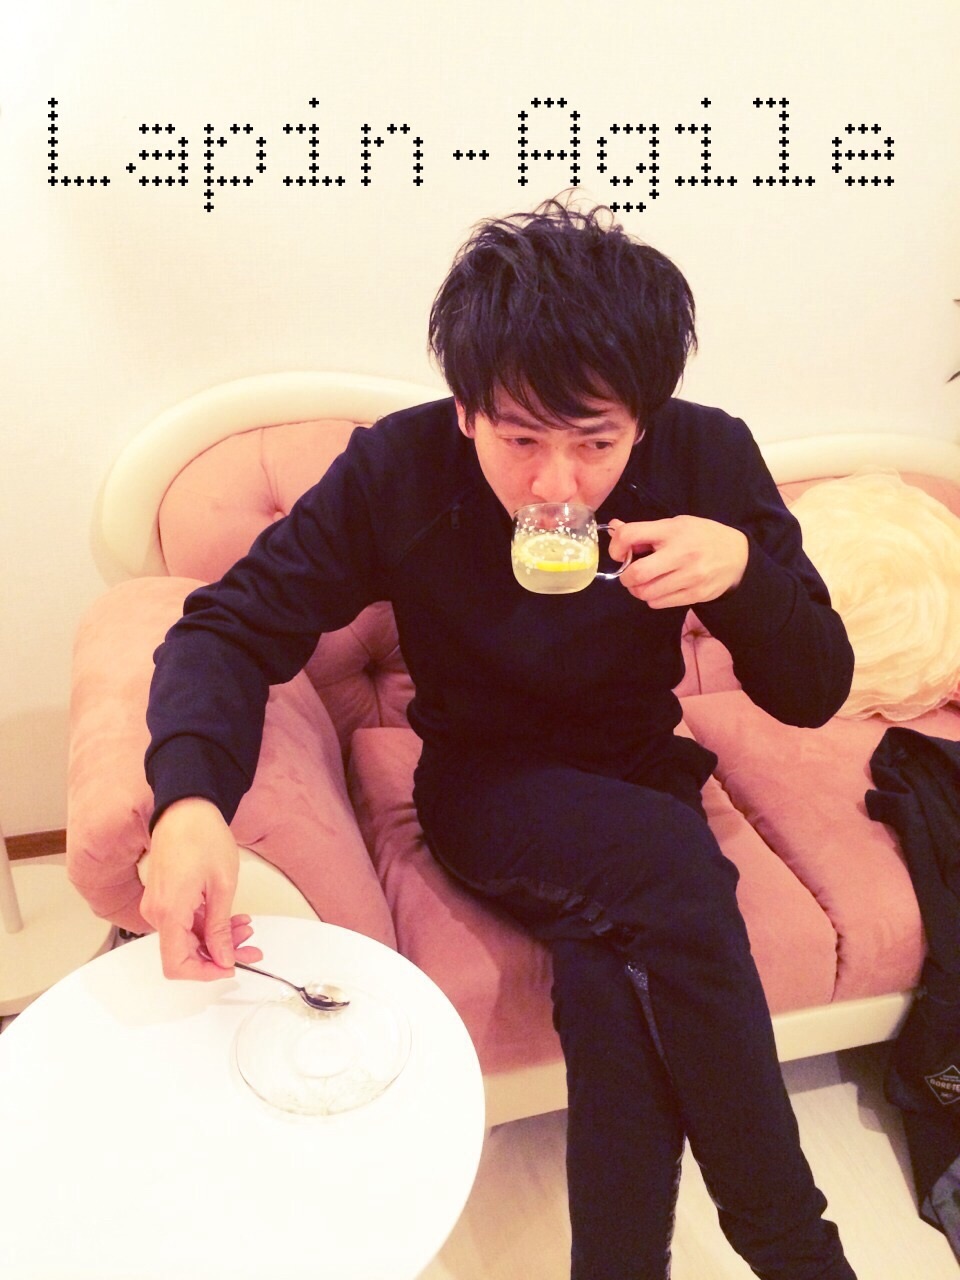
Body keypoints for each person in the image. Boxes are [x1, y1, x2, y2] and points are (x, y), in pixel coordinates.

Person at [142, 197, 858, 1280]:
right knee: (672, 864)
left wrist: (744, 576)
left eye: (597, 444)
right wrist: (190, 803)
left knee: (612, 993)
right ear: (468, 410)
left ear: (644, 422)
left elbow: (815, 690)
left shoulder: (708, 454)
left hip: (639, 774)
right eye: (522, 439)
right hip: (486, 784)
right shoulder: (400, 470)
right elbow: (227, 627)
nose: (555, 485)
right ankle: (794, 1248)